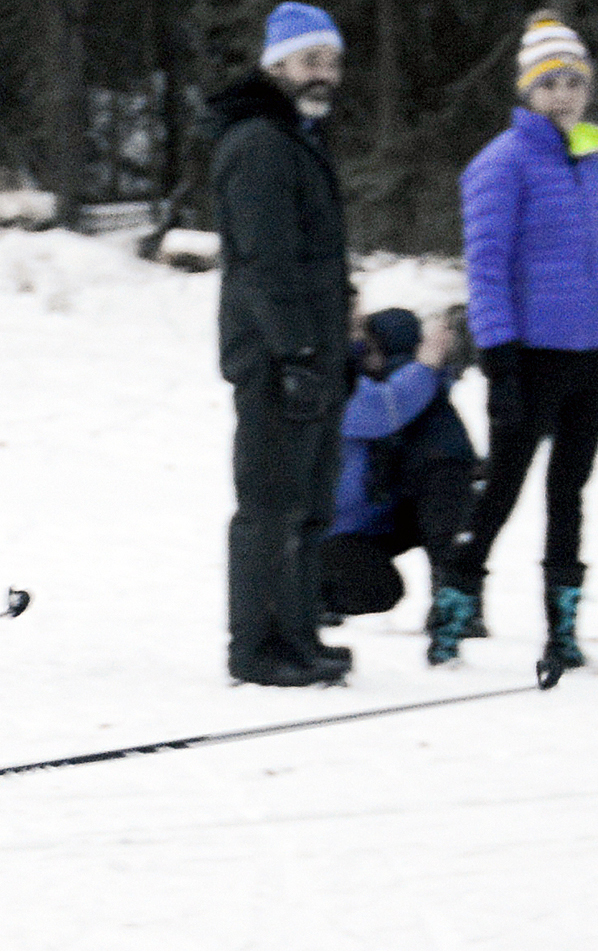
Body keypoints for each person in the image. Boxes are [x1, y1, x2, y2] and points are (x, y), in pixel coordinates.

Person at [426, 10, 598, 671]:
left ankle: (563, 631)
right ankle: (452, 617)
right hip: (533, 356)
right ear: (527, 90)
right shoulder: (501, 163)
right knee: (503, 490)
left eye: (575, 81)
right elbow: (485, 266)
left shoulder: (589, 159)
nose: (565, 94)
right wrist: (499, 356)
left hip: (594, 353)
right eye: (551, 84)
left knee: (569, 493)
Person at [206, 2, 354, 687]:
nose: (322, 73)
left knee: (306, 499)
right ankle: (257, 646)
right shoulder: (261, 141)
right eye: (308, 60)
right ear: (275, 64)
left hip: (311, 352)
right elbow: (267, 263)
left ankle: (297, 634)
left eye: (330, 61)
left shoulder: (297, 136)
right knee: (269, 501)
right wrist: (295, 354)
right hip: (274, 355)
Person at [321, 308, 480, 626]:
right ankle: (309, 596)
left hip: (367, 517)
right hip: (336, 529)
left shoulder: (373, 375)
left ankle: (454, 599)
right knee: (379, 586)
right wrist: (426, 366)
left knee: (444, 507)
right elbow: (384, 410)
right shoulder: (344, 382)